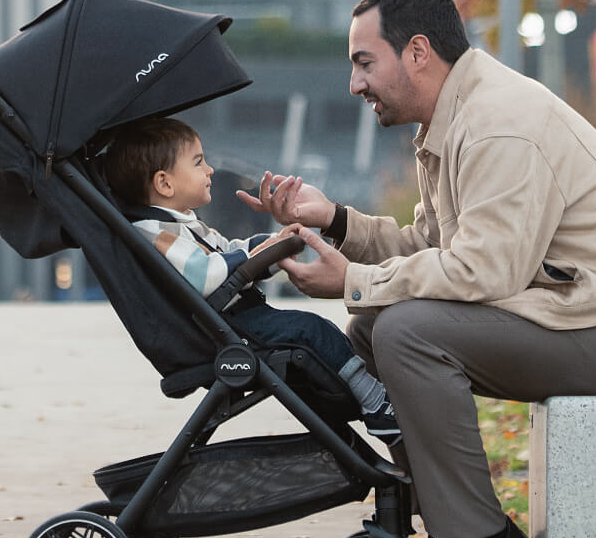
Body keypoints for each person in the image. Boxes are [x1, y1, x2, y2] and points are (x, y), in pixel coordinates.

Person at [238, 0, 596, 538]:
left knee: (404, 332)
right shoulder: (455, 118)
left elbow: (485, 269)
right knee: (374, 329)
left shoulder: (497, 125)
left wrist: (353, 281)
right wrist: (335, 220)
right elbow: (428, 245)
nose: (354, 84)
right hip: (571, 318)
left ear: (417, 52)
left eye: (365, 62)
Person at [100, 116, 400, 443]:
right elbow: (205, 274)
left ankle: (361, 402)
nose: (211, 170)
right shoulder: (157, 234)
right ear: (165, 184)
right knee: (310, 330)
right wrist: (258, 255)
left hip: (234, 321)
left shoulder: (181, 225)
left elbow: (229, 251)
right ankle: (376, 405)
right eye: (199, 162)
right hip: (228, 330)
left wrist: (272, 248)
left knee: (316, 330)